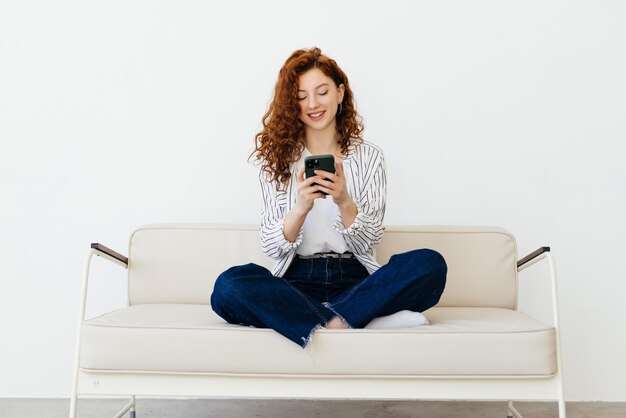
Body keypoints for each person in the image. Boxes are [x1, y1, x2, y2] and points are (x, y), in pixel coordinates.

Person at [211, 47, 447, 348]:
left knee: (430, 264)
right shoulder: (276, 161)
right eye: (301, 96)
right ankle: (352, 319)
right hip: (296, 281)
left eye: (322, 92)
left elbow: (370, 240)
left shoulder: (369, 156)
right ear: (291, 104)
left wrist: (344, 201)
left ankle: (323, 320)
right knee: (228, 286)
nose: (313, 104)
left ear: (339, 92)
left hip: (358, 279)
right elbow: (270, 245)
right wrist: (300, 209)